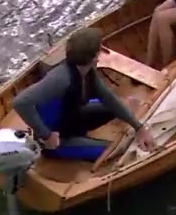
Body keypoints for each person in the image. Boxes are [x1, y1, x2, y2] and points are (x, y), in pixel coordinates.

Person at [12, 28, 156, 160]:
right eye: (100, 50)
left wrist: (139, 128)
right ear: (94, 58)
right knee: (115, 150)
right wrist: (46, 135)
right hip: (58, 139)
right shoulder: (60, 78)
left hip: (74, 117)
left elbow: (109, 99)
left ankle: (117, 121)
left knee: (119, 105)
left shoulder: (88, 72)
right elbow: (20, 102)